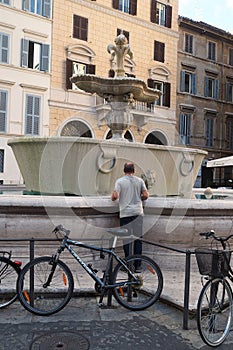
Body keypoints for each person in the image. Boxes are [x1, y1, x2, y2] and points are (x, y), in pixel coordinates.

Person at [111, 162, 149, 266]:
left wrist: (112, 198)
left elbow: (115, 196)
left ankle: (128, 264)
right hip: (138, 212)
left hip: (126, 214)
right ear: (133, 171)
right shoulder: (139, 181)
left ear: (124, 170)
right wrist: (138, 198)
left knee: (126, 240)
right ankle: (138, 265)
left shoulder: (120, 181)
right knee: (138, 239)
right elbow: (146, 195)